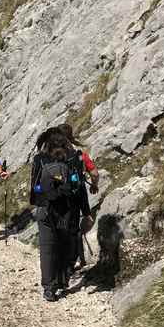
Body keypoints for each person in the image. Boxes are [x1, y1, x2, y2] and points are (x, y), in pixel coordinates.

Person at [30, 128, 93, 302]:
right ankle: (63, 280)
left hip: (46, 210)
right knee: (66, 246)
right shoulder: (74, 158)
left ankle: (49, 289)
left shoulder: (38, 160)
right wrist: (86, 212)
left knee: (47, 249)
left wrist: (45, 196)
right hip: (69, 210)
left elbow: (34, 188)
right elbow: (79, 188)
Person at [58, 123, 98, 269]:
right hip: (77, 193)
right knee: (73, 227)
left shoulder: (52, 153)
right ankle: (76, 259)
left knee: (62, 226)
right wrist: (94, 185)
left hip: (59, 195)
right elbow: (94, 173)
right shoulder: (80, 153)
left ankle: (64, 258)